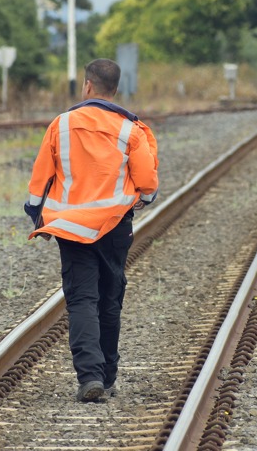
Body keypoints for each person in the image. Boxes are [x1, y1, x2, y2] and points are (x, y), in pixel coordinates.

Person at [24, 58, 159, 403]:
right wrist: (144, 198)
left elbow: (39, 180)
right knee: (110, 298)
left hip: (71, 227)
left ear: (87, 86)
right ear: (115, 90)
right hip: (114, 227)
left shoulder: (61, 125)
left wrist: (36, 213)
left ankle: (90, 377)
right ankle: (108, 376)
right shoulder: (131, 130)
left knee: (82, 298)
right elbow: (147, 183)